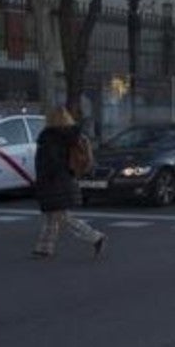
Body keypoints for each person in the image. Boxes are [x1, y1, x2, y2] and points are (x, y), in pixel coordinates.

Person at [32, 106, 106, 259]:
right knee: (53, 215)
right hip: (65, 179)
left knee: (60, 215)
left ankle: (96, 237)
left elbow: (48, 162)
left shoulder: (49, 136)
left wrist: (42, 179)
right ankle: (44, 248)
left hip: (53, 180)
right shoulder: (70, 135)